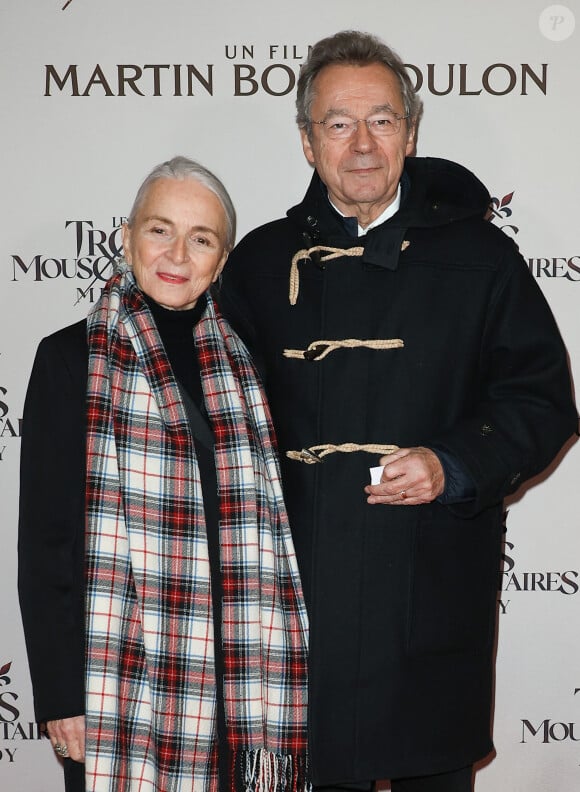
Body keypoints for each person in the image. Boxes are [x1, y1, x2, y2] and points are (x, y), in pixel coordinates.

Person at [218, 30, 578, 792]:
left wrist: (453, 463)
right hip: (291, 613)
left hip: (429, 601)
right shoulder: (255, 263)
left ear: (411, 133)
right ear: (308, 141)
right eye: (338, 123)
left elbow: (541, 398)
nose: (361, 145)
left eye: (381, 120)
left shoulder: (483, 259)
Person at [18, 156, 310, 792]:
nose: (177, 252)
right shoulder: (71, 358)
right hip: (118, 684)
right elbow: (46, 544)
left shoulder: (249, 363)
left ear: (221, 259)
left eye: (200, 238)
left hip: (244, 681)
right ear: (127, 238)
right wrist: (62, 693)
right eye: (160, 229)